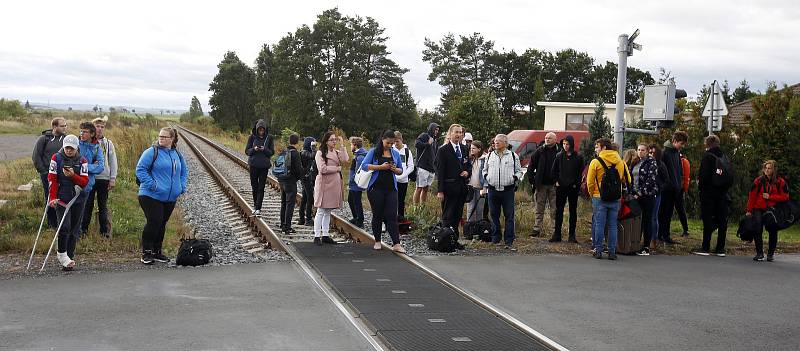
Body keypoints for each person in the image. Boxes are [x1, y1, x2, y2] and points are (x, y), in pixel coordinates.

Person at [136, 127, 188, 264]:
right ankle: (146, 252)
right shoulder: (151, 152)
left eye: (165, 137)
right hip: (150, 194)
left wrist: (181, 187)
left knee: (162, 223)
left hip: (170, 197)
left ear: (172, 139)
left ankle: (157, 251)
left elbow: (183, 173)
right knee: (154, 221)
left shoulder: (177, 154)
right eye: (160, 136)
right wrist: (153, 185)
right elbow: (140, 170)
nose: (161, 139)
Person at [47, 135, 88, 270]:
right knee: (64, 227)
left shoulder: (82, 161)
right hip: (61, 197)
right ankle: (62, 254)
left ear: (76, 148)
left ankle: (70, 258)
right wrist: (52, 197)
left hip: (78, 198)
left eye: (72, 148)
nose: (69, 151)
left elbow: (84, 182)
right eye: (67, 148)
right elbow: (52, 178)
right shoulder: (56, 158)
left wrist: (73, 176)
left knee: (74, 229)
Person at [586, 138, 630, 260]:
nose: (596, 149)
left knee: (599, 224)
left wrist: (592, 194)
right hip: (615, 198)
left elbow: (589, 182)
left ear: (604, 148)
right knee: (612, 225)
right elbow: (627, 180)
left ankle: (598, 250)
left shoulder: (595, 162)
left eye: (597, 147)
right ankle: (612, 251)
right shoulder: (620, 162)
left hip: (599, 197)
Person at [362, 130, 405, 252]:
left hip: (391, 189)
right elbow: (365, 166)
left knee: (392, 215)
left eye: (392, 143)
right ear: (382, 139)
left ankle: (396, 243)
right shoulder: (373, 152)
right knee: (378, 215)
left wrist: (394, 169)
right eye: (388, 143)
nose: (390, 145)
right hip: (376, 188)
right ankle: (377, 240)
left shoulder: (395, 153)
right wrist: (381, 167)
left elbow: (401, 170)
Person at [482, 134, 522, 249]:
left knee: (509, 215)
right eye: (495, 141)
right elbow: (484, 170)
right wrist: (487, 177)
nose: (496, 143)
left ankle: (509, 239)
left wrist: (514, 178)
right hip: (493, 190)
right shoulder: (489, 155)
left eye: (498, 141)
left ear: (505, 143)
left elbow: (519, 171)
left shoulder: (513, 156)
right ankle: (496, 238)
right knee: (494, 215)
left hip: (508, 191)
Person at [695, 135, 731, 257]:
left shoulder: (708, 157)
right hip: (723, 193)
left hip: (709, 193)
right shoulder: (724, 156)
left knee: (708, 218)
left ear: (707, 144)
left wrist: (700, 188)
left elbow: (704, 177)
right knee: (722, 220)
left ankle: (705, 247)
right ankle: (720, 248)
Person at [435, 124, 470, 249]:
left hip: (461, 188)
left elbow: (468, 165)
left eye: (460, 132)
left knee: (457, 216)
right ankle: (445, 240)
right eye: (456, 132)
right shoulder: (443, 150)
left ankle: (454, 240)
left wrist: (467, 172)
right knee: (448, 216)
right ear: (450, 134)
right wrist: (440, 191)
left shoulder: (465, 148)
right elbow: (440, 172)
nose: (458, 134)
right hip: (449, 188)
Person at [746, 160, 789, 262]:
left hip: (772, 209)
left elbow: (785, 197)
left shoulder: (780, 182)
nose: (766, 170)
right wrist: (749, 210)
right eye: (765, 168)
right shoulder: (758, 181)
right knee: (757, 228)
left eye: (769, 168)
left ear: (774, 169)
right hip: (758, 208)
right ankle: (759, 253)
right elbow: (752, 196)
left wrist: (771, 197)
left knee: (773, 229)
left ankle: (770, 254)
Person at [81, 116, 117, 237]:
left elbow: (112, 161)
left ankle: (104, 231)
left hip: (104, 178)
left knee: (103, 205)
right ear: (92, 128)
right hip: (89, 178)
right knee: (88, 204)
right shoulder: (85, 142)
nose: (100, 129)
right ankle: (83, 230)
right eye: (97, 126)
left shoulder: (108, 143)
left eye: (102, 127)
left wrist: (112, 178)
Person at [313, 131, 349, 245]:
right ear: (326, 141)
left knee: (328, 211)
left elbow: (345, 159)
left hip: (334, 185)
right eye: (332, 140)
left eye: (335, 140)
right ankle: (317, 236)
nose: (334, 142)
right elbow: (322, 169)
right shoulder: (320, 153)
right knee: (321, 210)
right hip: (324, 184)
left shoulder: (336, 152)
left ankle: (325, 235)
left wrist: (342, 145)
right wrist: (336, 169)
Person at [32, 117, 67, 229]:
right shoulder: (44, 139)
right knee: (50, 198)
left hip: (64, 176)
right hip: (47, 175)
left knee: (63, 198)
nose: (65, 128)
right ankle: (52, 225)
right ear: (54, 127)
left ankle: (62, 223)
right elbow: (36, 156)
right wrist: (43, 172)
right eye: (62, 126)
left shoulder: (66, 139)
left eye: (65, 125)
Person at [550, 135, 584, 243]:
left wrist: (576, 184)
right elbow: (554, 171)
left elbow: (580, 173)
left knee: (572, 211)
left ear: (572, 144)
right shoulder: (559, 156)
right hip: (561, 187)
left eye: (567, 144)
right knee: (559, 210)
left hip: (573, 188)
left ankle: (572, 235)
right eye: (564, 144)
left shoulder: (578, 157)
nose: (565, 146)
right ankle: (557, 234)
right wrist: (556, 181)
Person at [658, 131, 688, 244]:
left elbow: (679, 171)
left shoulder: (676, 153)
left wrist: (679, 184)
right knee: (663, 213)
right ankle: (661, 235)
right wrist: (668, 185)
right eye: (681, 143)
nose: (682, 146)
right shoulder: (665, 153)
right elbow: (662, 171)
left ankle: (665, 235)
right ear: (674, 141)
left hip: (675, 189)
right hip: (667, 190)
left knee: (669, 213)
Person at [527, 132, 559, 237]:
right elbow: (531, 166)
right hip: (541, 185)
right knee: (539, 208)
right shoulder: (539, 151)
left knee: (555, 208)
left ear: (555, 139)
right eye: (546, 138)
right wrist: (532, 181)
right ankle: (537, 229)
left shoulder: (559, 151)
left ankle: (555, 229)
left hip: (555, 185)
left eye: (549, 138)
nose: (547, 139)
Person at [76, 121, 104, 237]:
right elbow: (72, 164)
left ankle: (78, 234)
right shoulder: (75, 144)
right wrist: (91, 165)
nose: (82, 134)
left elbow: (100, 167)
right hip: (73, 182)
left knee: (82, 211)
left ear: (92, 134)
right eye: (81, 131)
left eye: (85, 132)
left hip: (87, 185)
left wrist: (84, 167)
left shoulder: (97, 148)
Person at [632, 144, 659, 256]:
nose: (640, 152)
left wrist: (640, 193)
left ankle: (646, 247)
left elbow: (650, 179)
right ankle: (635, 244)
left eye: (642, 150)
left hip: (647, 196)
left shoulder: (651, 162)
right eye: (638, 150)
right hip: (635, 195)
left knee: (647, 220)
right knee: (637, 221)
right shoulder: (636, 162)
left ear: (647, 151)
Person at [245, 119, 275, 216]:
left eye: (263, 130)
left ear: (265, 130)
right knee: (254, 187)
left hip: (264, 166)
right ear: (257, 129)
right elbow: (247, 151)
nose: (261, 132)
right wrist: (254, 149)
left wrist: (264, 149)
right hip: (253, 165)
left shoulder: (269, 138)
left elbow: (271, 152)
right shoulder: (252, 138)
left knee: (261, 187)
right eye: (260, 130)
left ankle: (258, 208)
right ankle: (255, 205)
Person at [278, 134, 305, 234]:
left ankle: (282, 223)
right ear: (297, 142)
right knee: (290, 204)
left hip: (282, 180)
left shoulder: (284, 151)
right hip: (290, 181)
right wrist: (301, 176)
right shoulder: (295, 153)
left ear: (289, 141)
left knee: (284, 202)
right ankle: (287, 226)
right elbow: (298, 169)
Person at [413, 123, 440, 205]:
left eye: (438, 130)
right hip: (422, 166)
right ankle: (415, 209)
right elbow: (416, 144)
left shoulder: (435, 140)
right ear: (431, 128)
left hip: (431, 168)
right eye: (435, 129)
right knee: (419, 188)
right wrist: (427, 144)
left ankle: (422, 208)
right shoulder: (424, 135)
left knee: (426, 189)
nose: (436, 131)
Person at [649, 144, 669, 252]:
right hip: (645, 194)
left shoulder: (661, 165)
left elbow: (666, 181)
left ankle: (653, 240)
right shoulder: (645, 163)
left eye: (653, 153)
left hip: (656, 194)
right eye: (650, 152)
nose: (651, 155)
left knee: (653, 217)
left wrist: (658, 189)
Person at [392, 131, 415, 220]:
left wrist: (402, 175)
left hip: (403, 180)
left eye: (397, 141)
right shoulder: (391, 150)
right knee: (391, 200)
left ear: (401, 140)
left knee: (401, 200)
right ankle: (390, 219)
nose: (395, 143)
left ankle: (400, 218)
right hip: (392, 179)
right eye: (394, 141)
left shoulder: (407, 151)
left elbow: (411, 166)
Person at [347, 137, 368, 227]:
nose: (350, 146)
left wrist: (352, 181)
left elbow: (357, 172)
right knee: (351, 200)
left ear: (355, 145)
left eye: (351, 144)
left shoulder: (359, 157)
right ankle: (356, 217)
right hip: (354, 184)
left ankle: (360, 219)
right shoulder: (359, 154)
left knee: (356, 201)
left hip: (356, 184)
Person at [298, 137, 316, 226]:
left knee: (305, 197)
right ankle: (308, 218)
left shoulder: (302, 151)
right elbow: (313, 156)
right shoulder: (305, 152)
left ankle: (301, 218)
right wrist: (314, 148)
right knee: (309, 197)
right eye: (313, 143)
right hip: (306, 178)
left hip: (304, 177)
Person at [466, 141, 487, 223]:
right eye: (471, 148)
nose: (471, 150)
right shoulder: (470, 159)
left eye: (473, 148)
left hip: (480, 188)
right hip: (470, 187)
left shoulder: (484, 159)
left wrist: (485, 187)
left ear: (479, 149)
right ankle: (469, 230)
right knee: (470, 209)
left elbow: (486, 175)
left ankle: (479, 229)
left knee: (479, 210)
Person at [676, 154, 691, 236]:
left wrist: (684, 188)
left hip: (679, 188)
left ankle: (686, 229)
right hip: (680, 187)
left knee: (680, 208)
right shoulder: (684, 161)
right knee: (680, 208)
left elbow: (686, 177)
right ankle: (686, 229)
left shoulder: (683, 161)